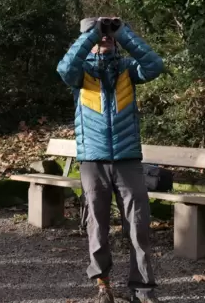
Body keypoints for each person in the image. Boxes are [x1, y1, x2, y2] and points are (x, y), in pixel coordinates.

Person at [56, 17, 164, 303]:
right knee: (97, 224)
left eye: (108, 34)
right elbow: (64, 68)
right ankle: (102, 283)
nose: (106, 38)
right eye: (101, 34)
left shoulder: (128, 69)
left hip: (127, 158)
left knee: (138, 225)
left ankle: (142, 288)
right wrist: (91, 36)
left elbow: (155, 65)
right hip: (92, 159)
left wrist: (123, 34)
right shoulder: (81, 72)